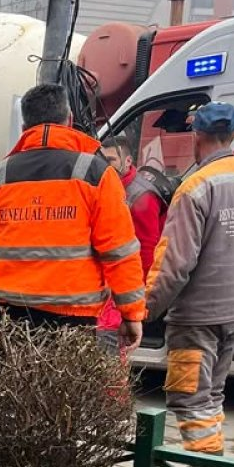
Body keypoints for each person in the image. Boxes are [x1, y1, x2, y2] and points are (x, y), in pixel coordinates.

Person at [0, 83, 146, 346]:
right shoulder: (95, 173)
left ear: (24, 127)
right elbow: (119, 251)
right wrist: (131, 313)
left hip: (7, 319)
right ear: (69, 120)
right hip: (73, 320)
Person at [146, 101, 234, 467]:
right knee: (212, 394)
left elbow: (174, 263)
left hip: (197, 315)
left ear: (197, 137)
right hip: (230, 313)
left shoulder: (196, 186)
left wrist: (144, 310)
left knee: (190, 396)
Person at [96, 135, 167, 351]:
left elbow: (147, 254)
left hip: (124, 291)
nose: (105, 166)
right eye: (102, 160)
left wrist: (136, 306)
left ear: (128, 161)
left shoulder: (141, 196)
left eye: (111, 160)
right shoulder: (114, 187)